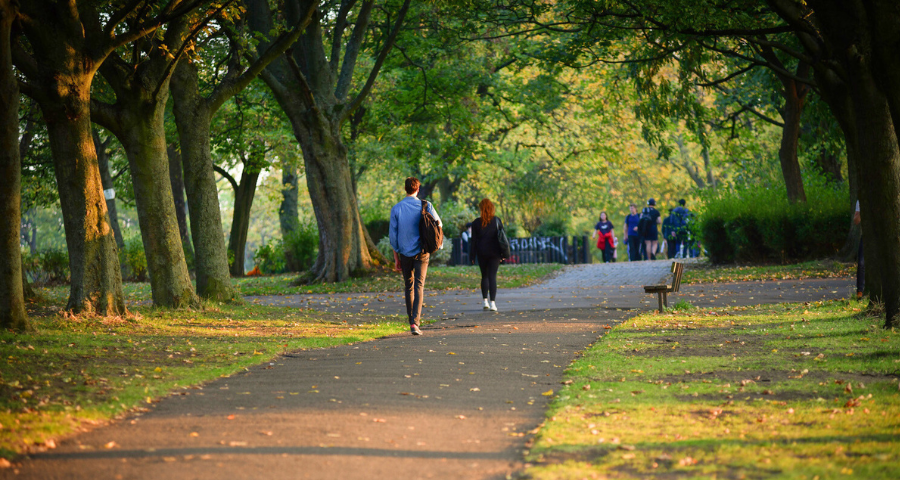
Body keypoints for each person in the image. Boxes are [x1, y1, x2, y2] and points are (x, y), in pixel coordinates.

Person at [389, 177, 442, 335]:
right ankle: (415, 323)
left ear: (405, 189)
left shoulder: (396, 208)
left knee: (408, 286)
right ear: (417, 189)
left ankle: (410, 320)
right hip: (422, 252)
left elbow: (393, 237)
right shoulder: (426, 205)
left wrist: (396, 258)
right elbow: (439, 224)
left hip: (404, 253)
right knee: (419, 286)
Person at [470, 198, 504, 312]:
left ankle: (485, 301)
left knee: (484, 276)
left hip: (481, 252)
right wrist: (503, 253)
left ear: (481, 209)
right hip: (495, 253)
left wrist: (472, 255)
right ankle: (493, 303)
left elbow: (473, 241)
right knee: (492, 276)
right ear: (491, 208)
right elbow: (502, 239)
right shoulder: (497, 221)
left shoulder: (475, 223)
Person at [854, 200, 864, 299]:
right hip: (866, 236)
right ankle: (860, 292)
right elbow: (856, 220)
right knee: (861, 263)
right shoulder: (860, 200)